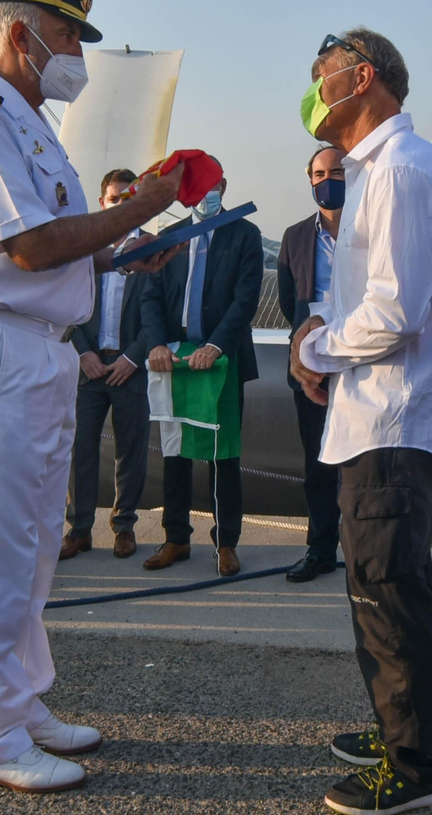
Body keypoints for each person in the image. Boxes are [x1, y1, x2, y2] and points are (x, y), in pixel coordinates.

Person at [0, 0, 182, 793]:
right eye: (69, 38)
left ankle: (21, 701)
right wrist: (140, 204)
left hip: (40, 346)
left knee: (37, 541)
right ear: (19, 36)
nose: (77, 55)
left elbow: (71, 246)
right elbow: (31, 248)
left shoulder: (34, 128)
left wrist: (125, 239)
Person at [289, 28, 432, 815]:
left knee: (387, 592)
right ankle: (406, 727)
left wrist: (320, 351)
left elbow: (393, 310)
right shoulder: (377, 173)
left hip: (395, 418)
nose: (311, 90)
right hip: (379, 418)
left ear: (362, 80)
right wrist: (316, 332)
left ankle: (420, 766)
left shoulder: (399, 170)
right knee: (382, 589)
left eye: (320, 75)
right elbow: (364, 291)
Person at [141, 163, 264, 577]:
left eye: (209, 188)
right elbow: (151, 297)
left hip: (221, 358)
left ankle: (226, 541)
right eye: (193, 191)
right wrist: (157, 342)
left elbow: (246, 299)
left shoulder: (244, 234)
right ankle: (176, 537)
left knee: (222, 454)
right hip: (174, 360)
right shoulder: (169, 237)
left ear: (223, 187)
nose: (202, 196)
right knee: (174, 451)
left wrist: (215, 345)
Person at [63, 168, 151, 561]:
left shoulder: (150, 248)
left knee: (130, 452)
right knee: (79, 450)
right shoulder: (83, 252)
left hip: (130, 367)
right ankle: (79, 529)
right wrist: (83, 353)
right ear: (102, 204)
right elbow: (67, 306)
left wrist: (134, 356)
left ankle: (124, 526)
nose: (119, 204)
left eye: (127, 198)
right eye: (114, 199)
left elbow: (159, 313)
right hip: (89, 368)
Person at [276, 144, 345, 583]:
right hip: (313, 366)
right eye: (318, 174)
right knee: (318, 466)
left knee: (366, 467)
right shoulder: (295, 236)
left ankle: (365, 552)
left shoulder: (373, 227)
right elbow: (288, 301)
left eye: (335, 171)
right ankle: (320, 549)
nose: (326, 180)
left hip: (367, 362)